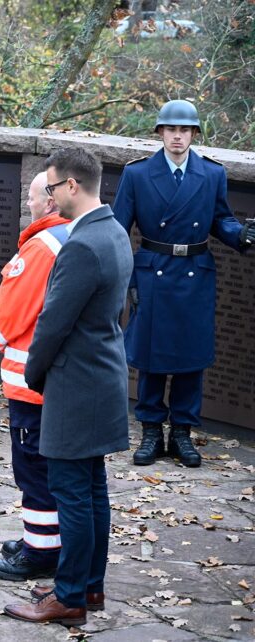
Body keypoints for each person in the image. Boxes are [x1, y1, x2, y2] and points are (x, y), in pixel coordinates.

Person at [4, 148, 133, 626]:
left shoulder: (81, 244)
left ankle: (70, 596)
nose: (51, 196)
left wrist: (32, 375)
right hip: (101, 378)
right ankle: (88, 586)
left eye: (53, 187)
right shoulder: (114, 231)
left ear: (73, 186)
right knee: (92, 490)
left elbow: (52, 324)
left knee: (72, 493)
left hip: (75, 385)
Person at [112, 99, 254, 468]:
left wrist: (240, 236)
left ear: (194, 134)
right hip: (152, 270)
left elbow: (220, 220)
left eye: (185, 130)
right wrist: (127, 281)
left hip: (196, 270)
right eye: (171, 129)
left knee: (192, 358)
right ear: (160, 132)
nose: (178, 136)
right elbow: (117, 231)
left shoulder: (211, 174)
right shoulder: (138, 174)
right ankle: (150, 431)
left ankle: (182, 434)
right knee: (151, 355)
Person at [0, 172, 69, 581]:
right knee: (50, 467)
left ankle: (40, 552)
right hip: (59, 381)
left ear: (50, 202)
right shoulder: (75, 235)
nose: (29, 205)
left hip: (30, 383)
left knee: (33, 469)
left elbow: (11, 313)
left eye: (33, 198)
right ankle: (44, 538)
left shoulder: (42, 246)